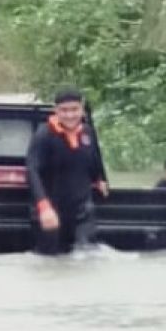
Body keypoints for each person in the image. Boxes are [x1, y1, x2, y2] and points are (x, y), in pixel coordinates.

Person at [26, 88, 109, 256]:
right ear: (56, 111)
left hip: (82, 210)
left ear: (82, 109)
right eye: (64, 110)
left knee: (87, 257)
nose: (70, 115)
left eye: (74, 109)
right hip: (51, 211)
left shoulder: (88, 132)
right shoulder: (44, 135)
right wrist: (44, 208)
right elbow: (32, 171)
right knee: (51, 262)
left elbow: (96, 160)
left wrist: (101, 179)